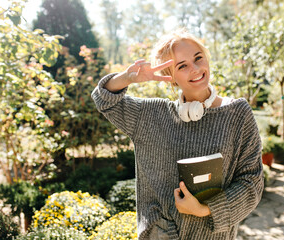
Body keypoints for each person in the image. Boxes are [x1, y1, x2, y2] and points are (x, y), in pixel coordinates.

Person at [91, 29, 263, 240]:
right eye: (182, 66)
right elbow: (103, 99)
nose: (195, 68)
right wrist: (128, 78)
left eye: (198, 58)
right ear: (170, 78)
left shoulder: (238, 114)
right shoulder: (150, 116)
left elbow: (251, 182)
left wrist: (204, 209)